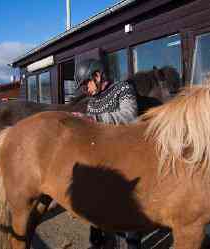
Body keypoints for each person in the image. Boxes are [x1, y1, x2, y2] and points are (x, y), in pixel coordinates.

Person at [73, 58, 140, 249]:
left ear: (97, 75)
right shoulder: (92, 101)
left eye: (86, 83)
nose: (85, 89)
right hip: (103, 164)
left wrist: (93, 119)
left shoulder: (123, 89)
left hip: (126, 162)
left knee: (129, 216)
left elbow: (130, 116)